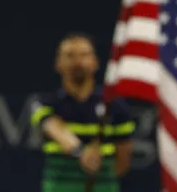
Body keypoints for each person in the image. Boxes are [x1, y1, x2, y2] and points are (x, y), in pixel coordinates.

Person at [30, 33, 136, 192]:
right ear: (58, 64)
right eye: (70, 56)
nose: (77, 62)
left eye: (84, 55)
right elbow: (54, 128)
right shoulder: (44, 103)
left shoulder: (115, 107)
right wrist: (81, 153)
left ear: (95, 62)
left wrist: (103, 177)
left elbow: (123, 161)